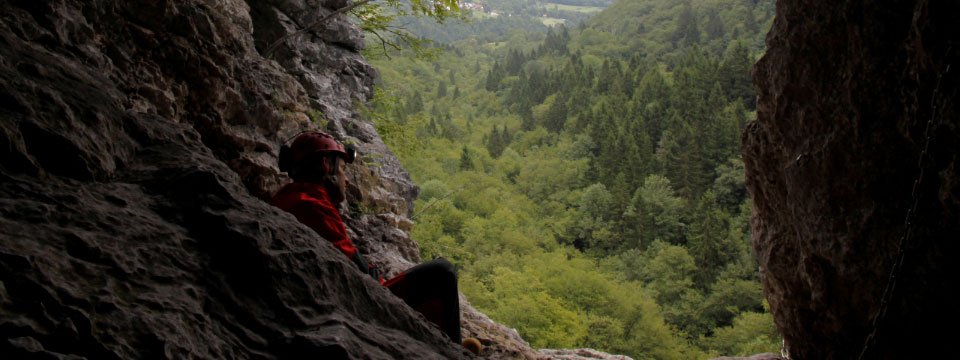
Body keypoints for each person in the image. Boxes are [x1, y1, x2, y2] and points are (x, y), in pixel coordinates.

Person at [270, 131, 477, 353]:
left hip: (333, 298)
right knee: (442, 272)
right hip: (358, 303)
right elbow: (353, 269)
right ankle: (453, 351)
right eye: (342, 170)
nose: (346, 179)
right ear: (325, 166)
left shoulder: (291, 198)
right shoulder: (310, 206)